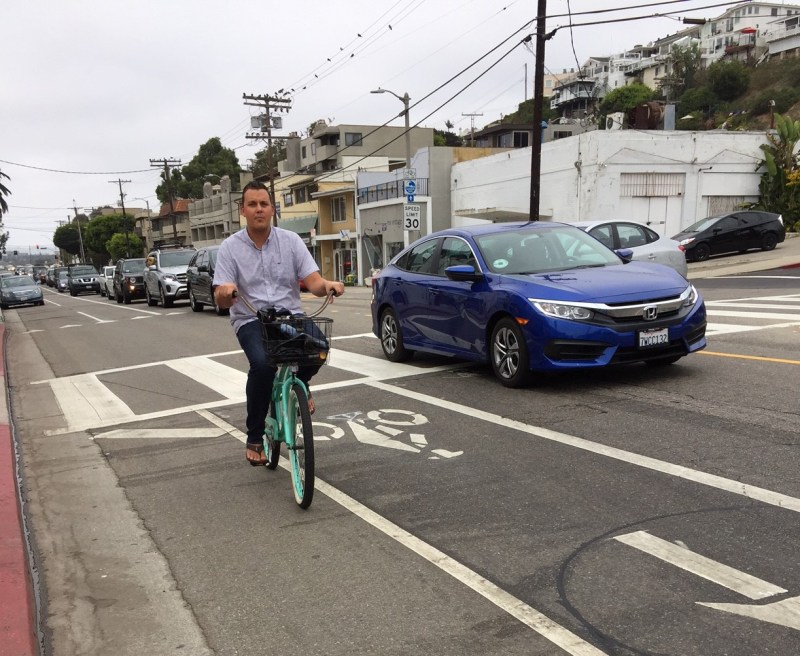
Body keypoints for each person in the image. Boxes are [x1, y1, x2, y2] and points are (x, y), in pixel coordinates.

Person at [213, 180, 344, 466]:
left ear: (272, 208)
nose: (258, 209)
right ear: (243, 211)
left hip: (289, 316)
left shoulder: (291, 241)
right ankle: (255, 437)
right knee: (262, 365)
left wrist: (329, 285)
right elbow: (221, 296)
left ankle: (302, 383)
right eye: (252, 204)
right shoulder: (229, 248)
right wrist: (225, 292)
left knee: (320, 347)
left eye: (263, 203)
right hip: (251, 319)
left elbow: (313, 282)